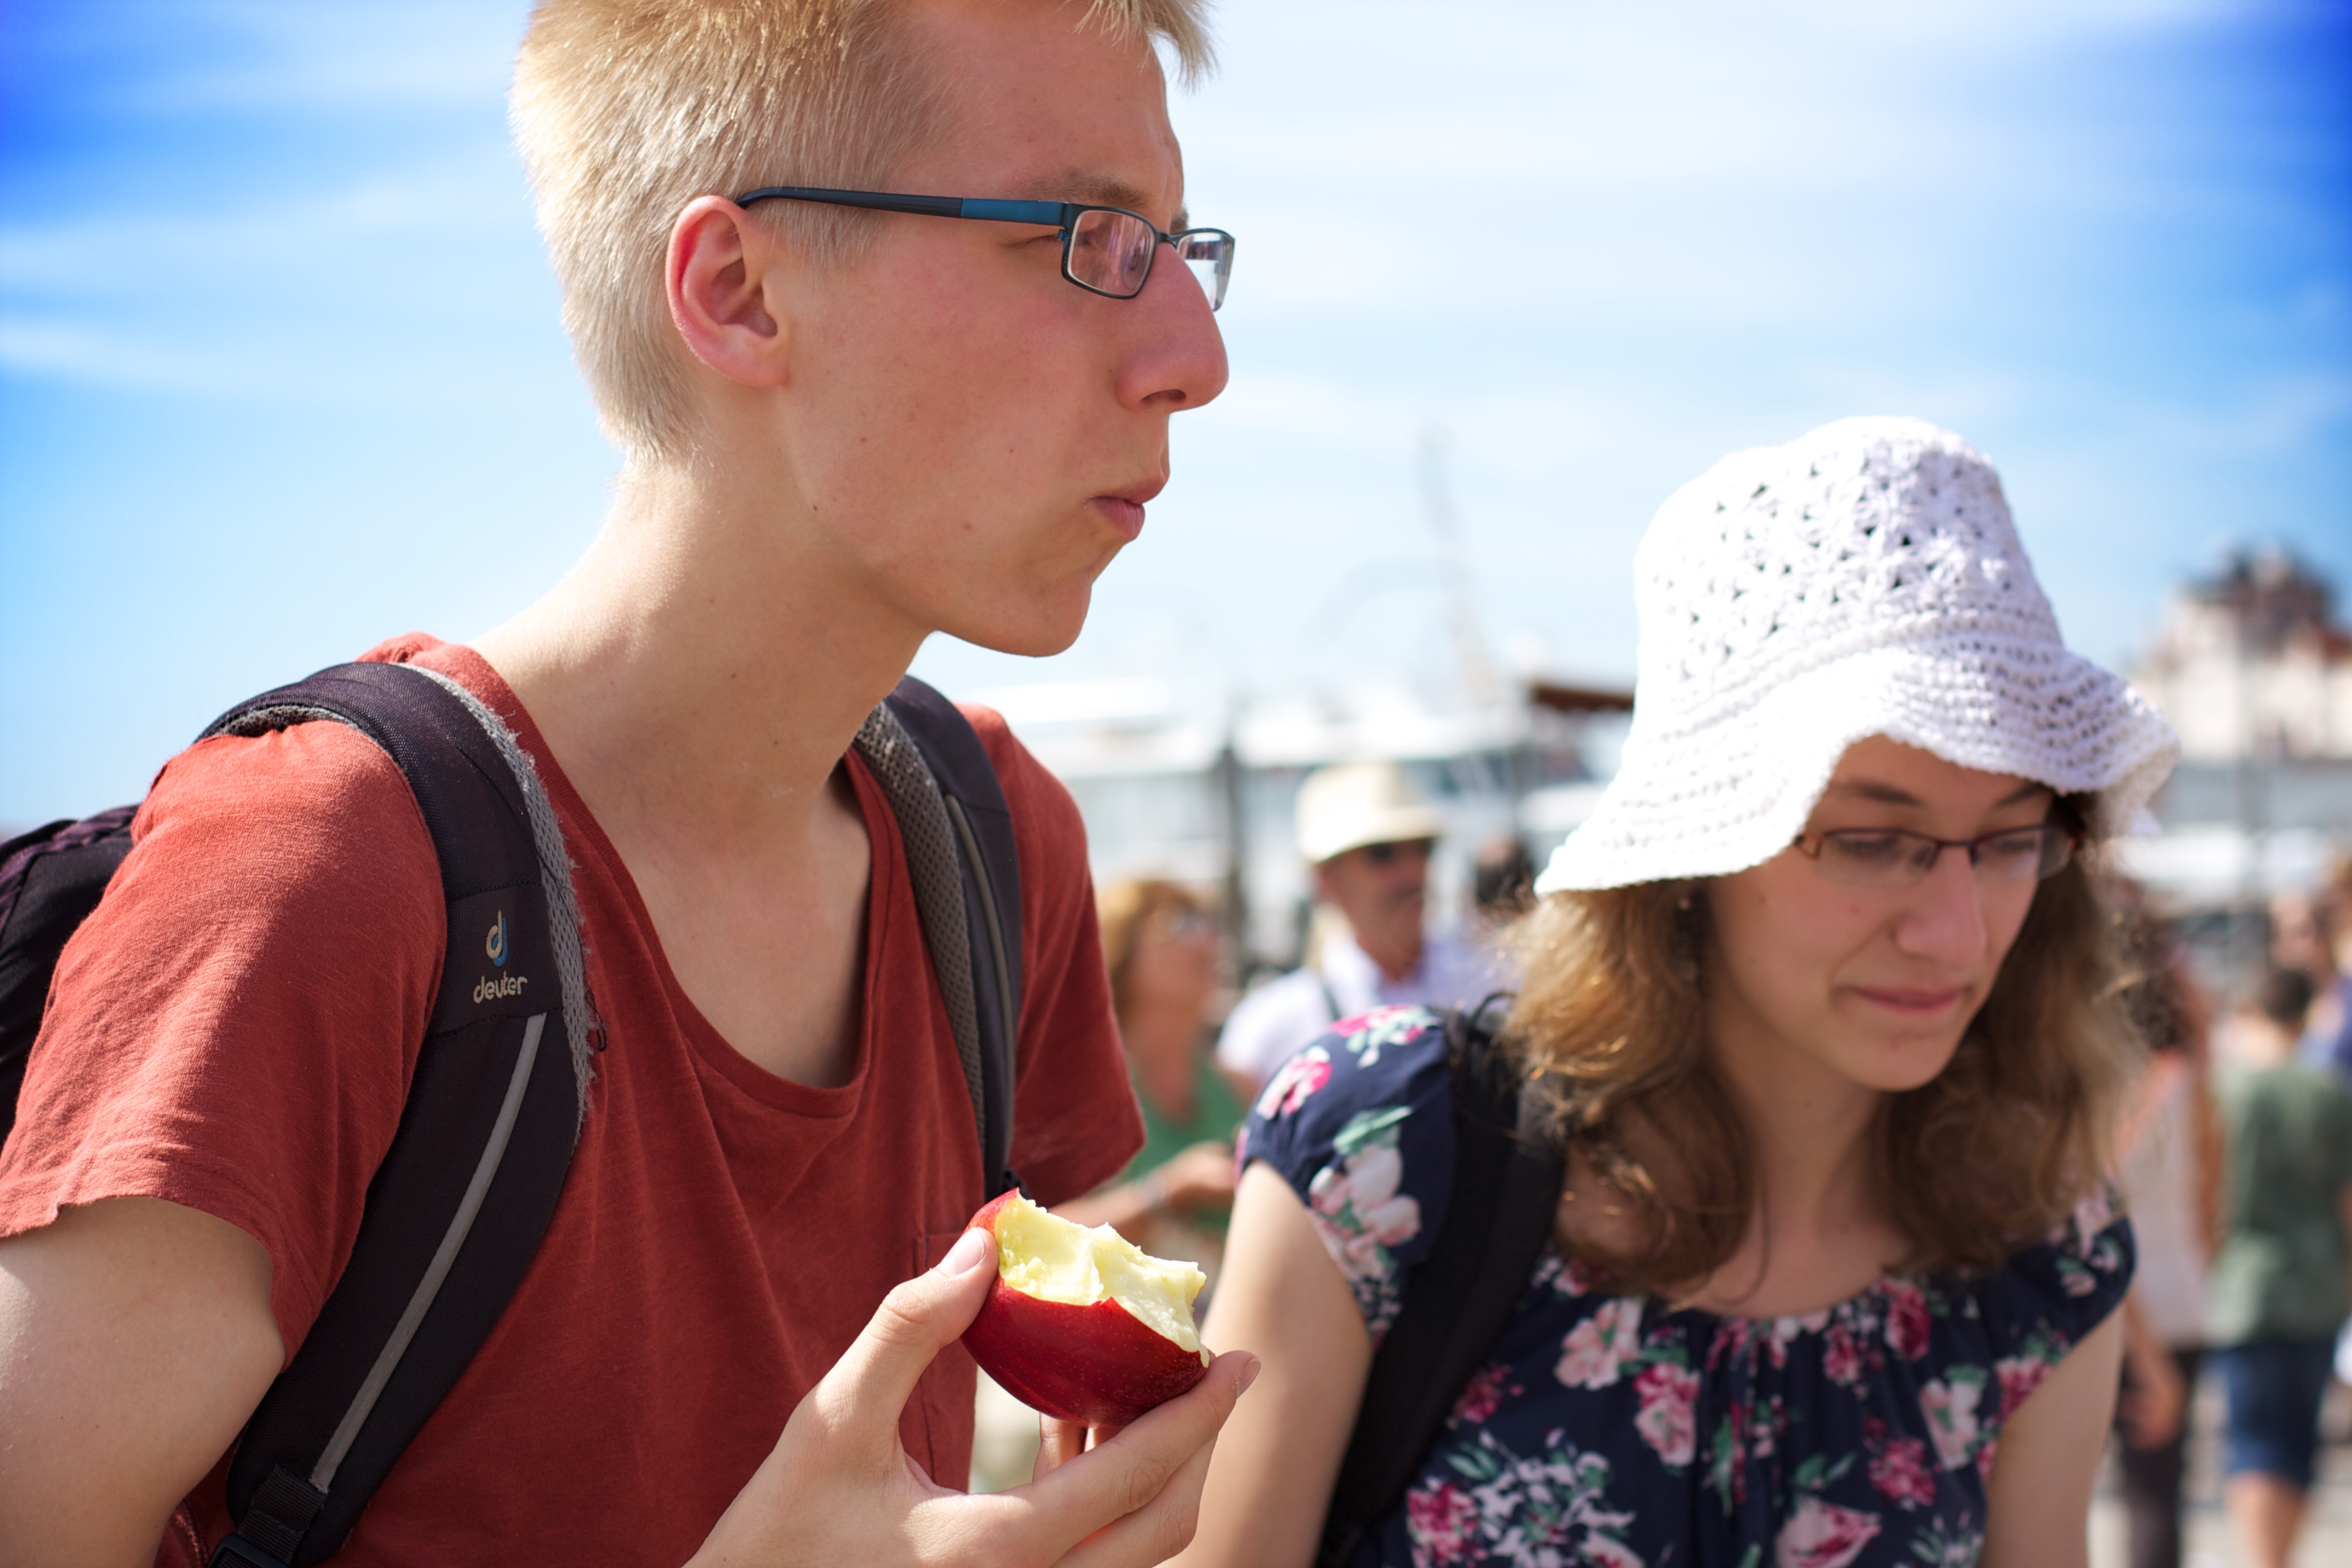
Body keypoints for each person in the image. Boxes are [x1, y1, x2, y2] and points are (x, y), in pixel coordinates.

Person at [0, 2, 1257, 1564]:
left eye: (1178, 248)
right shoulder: (323, 873)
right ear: (739, 294)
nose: (1197, 361)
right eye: (1086, 239)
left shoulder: (990, 845)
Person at [1178, 417, 2183, 1567]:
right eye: (1869, 841)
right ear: (1697, 855)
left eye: (2010, 841)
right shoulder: (1387, 1147)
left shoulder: (2042, 1241)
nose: (1956, 932)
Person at [1215, 760, 1504, 1095]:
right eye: (1382, 854)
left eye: (1423, 849)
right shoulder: (1268, 1032)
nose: (1412, 871)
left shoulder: (1494, 983)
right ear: (1325, 881)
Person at [2206, 965, 2352, 1568]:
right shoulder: (2328, 1090)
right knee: (2297, 1441)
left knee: (2254, 1442)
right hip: (2319, 1285)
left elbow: (2208, 1193)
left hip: (2245, 1285)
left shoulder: (2227, 1089)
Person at [2108, 900, 2221, 1568]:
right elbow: (2212, 1199)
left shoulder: (2099, 1094)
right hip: (2181, 1302)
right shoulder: (2189, 1080)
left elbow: (2100, 1220)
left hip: (2117, 1307)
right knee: (2158, 1499)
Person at [1057, 879, 1246, 1268]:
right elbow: (1046, 1233)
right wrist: (1168, 1192)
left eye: (1208, 924)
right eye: (1178, 924)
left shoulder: (1242, 1087)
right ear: (1118, 946)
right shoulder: (1078, 1094)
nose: (1206, 941)